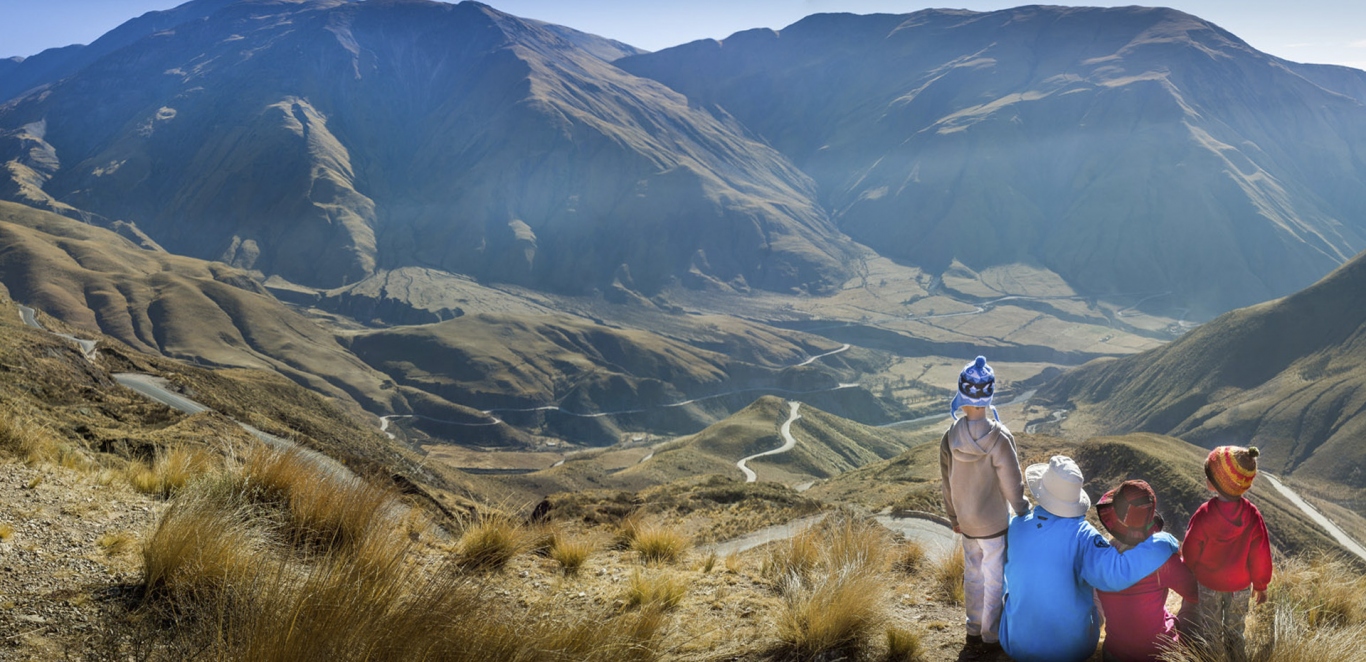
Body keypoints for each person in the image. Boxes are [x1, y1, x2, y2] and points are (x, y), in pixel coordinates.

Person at [999, 456, 1180, 662]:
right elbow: (1118, 573)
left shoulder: (1016, 525)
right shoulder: (1083, 535)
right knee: (1095, 576)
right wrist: (1164, 541)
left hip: (1016, 645)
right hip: (1071, 651)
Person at [938, 355, 1030, 653]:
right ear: (989, 397)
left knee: (973, 576)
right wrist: (1022, 510)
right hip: (994, 526)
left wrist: (953, 516)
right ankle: (991, 635)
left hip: (966, 524)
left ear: (961, 397)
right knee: (994, 579)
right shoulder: (1000, 438)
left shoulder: (949, 437)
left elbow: (947, 483)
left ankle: (972, 628)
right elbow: (1012, 484)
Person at [1181, 446, 1273, 661]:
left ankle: (1212, 658)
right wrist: (1261, 585)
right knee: (1235, 631)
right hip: (1240, 586)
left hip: (1208, 584)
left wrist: (1189, 567)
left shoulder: (1204, 514)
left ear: (1216, 484)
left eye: (1209, 475)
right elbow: (1260, 554)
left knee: (1211, 629)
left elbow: (1190, 548)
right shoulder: (1252, 515)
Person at [1094, 480, 1200, 662]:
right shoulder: (1164, 561)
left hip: (1114, 654)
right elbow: (1194, 594)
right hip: (1157, 654)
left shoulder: (1101, 558)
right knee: (1194, 605)